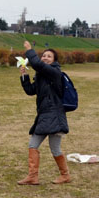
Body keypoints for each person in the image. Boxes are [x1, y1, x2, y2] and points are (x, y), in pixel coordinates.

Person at [17, 39, 71, 185]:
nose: (45, 58)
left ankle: (63, 175)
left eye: (49, 56)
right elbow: (30, 91)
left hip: (54, 115)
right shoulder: (42, 75)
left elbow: (37, 65)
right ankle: (35, 176)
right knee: (38, 146)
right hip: (45, 115)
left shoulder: (55, 73)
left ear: (54, 61)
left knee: (46, 146)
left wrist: (29, 50)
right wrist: (24, 76)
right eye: (44, 56)